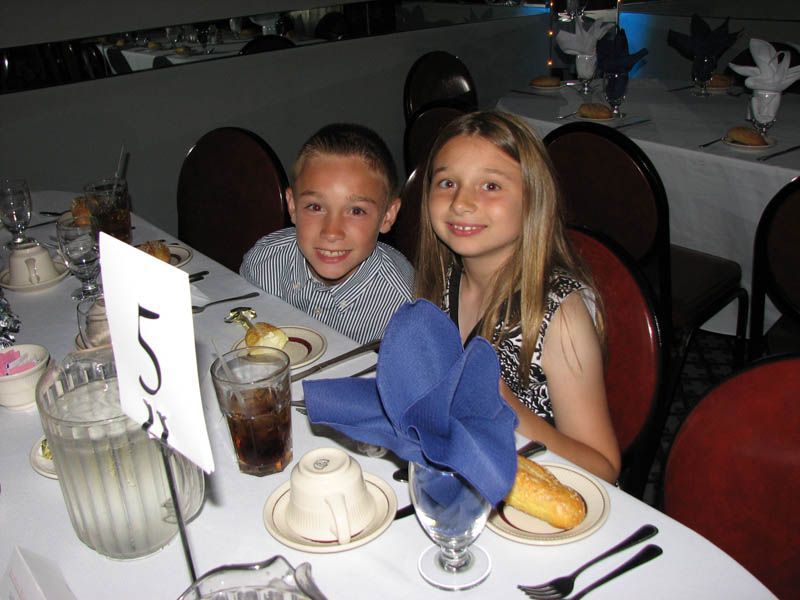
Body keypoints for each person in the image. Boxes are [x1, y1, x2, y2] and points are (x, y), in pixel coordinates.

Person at [414, 110, 620, 483]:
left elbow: (603, 469)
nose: (461, 202)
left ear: (533, 200)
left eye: (490, 186)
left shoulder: (558, 316)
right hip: (474, 472)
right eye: (447, 183)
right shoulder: (447, 277)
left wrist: (511, 412)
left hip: (546, 490)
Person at [241, 123, 413, 344]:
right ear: (292, 206)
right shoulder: (263, 263)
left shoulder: (404, 307)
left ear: (387, 216)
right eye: (315, 207)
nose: (332, 232)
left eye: (356, 211)